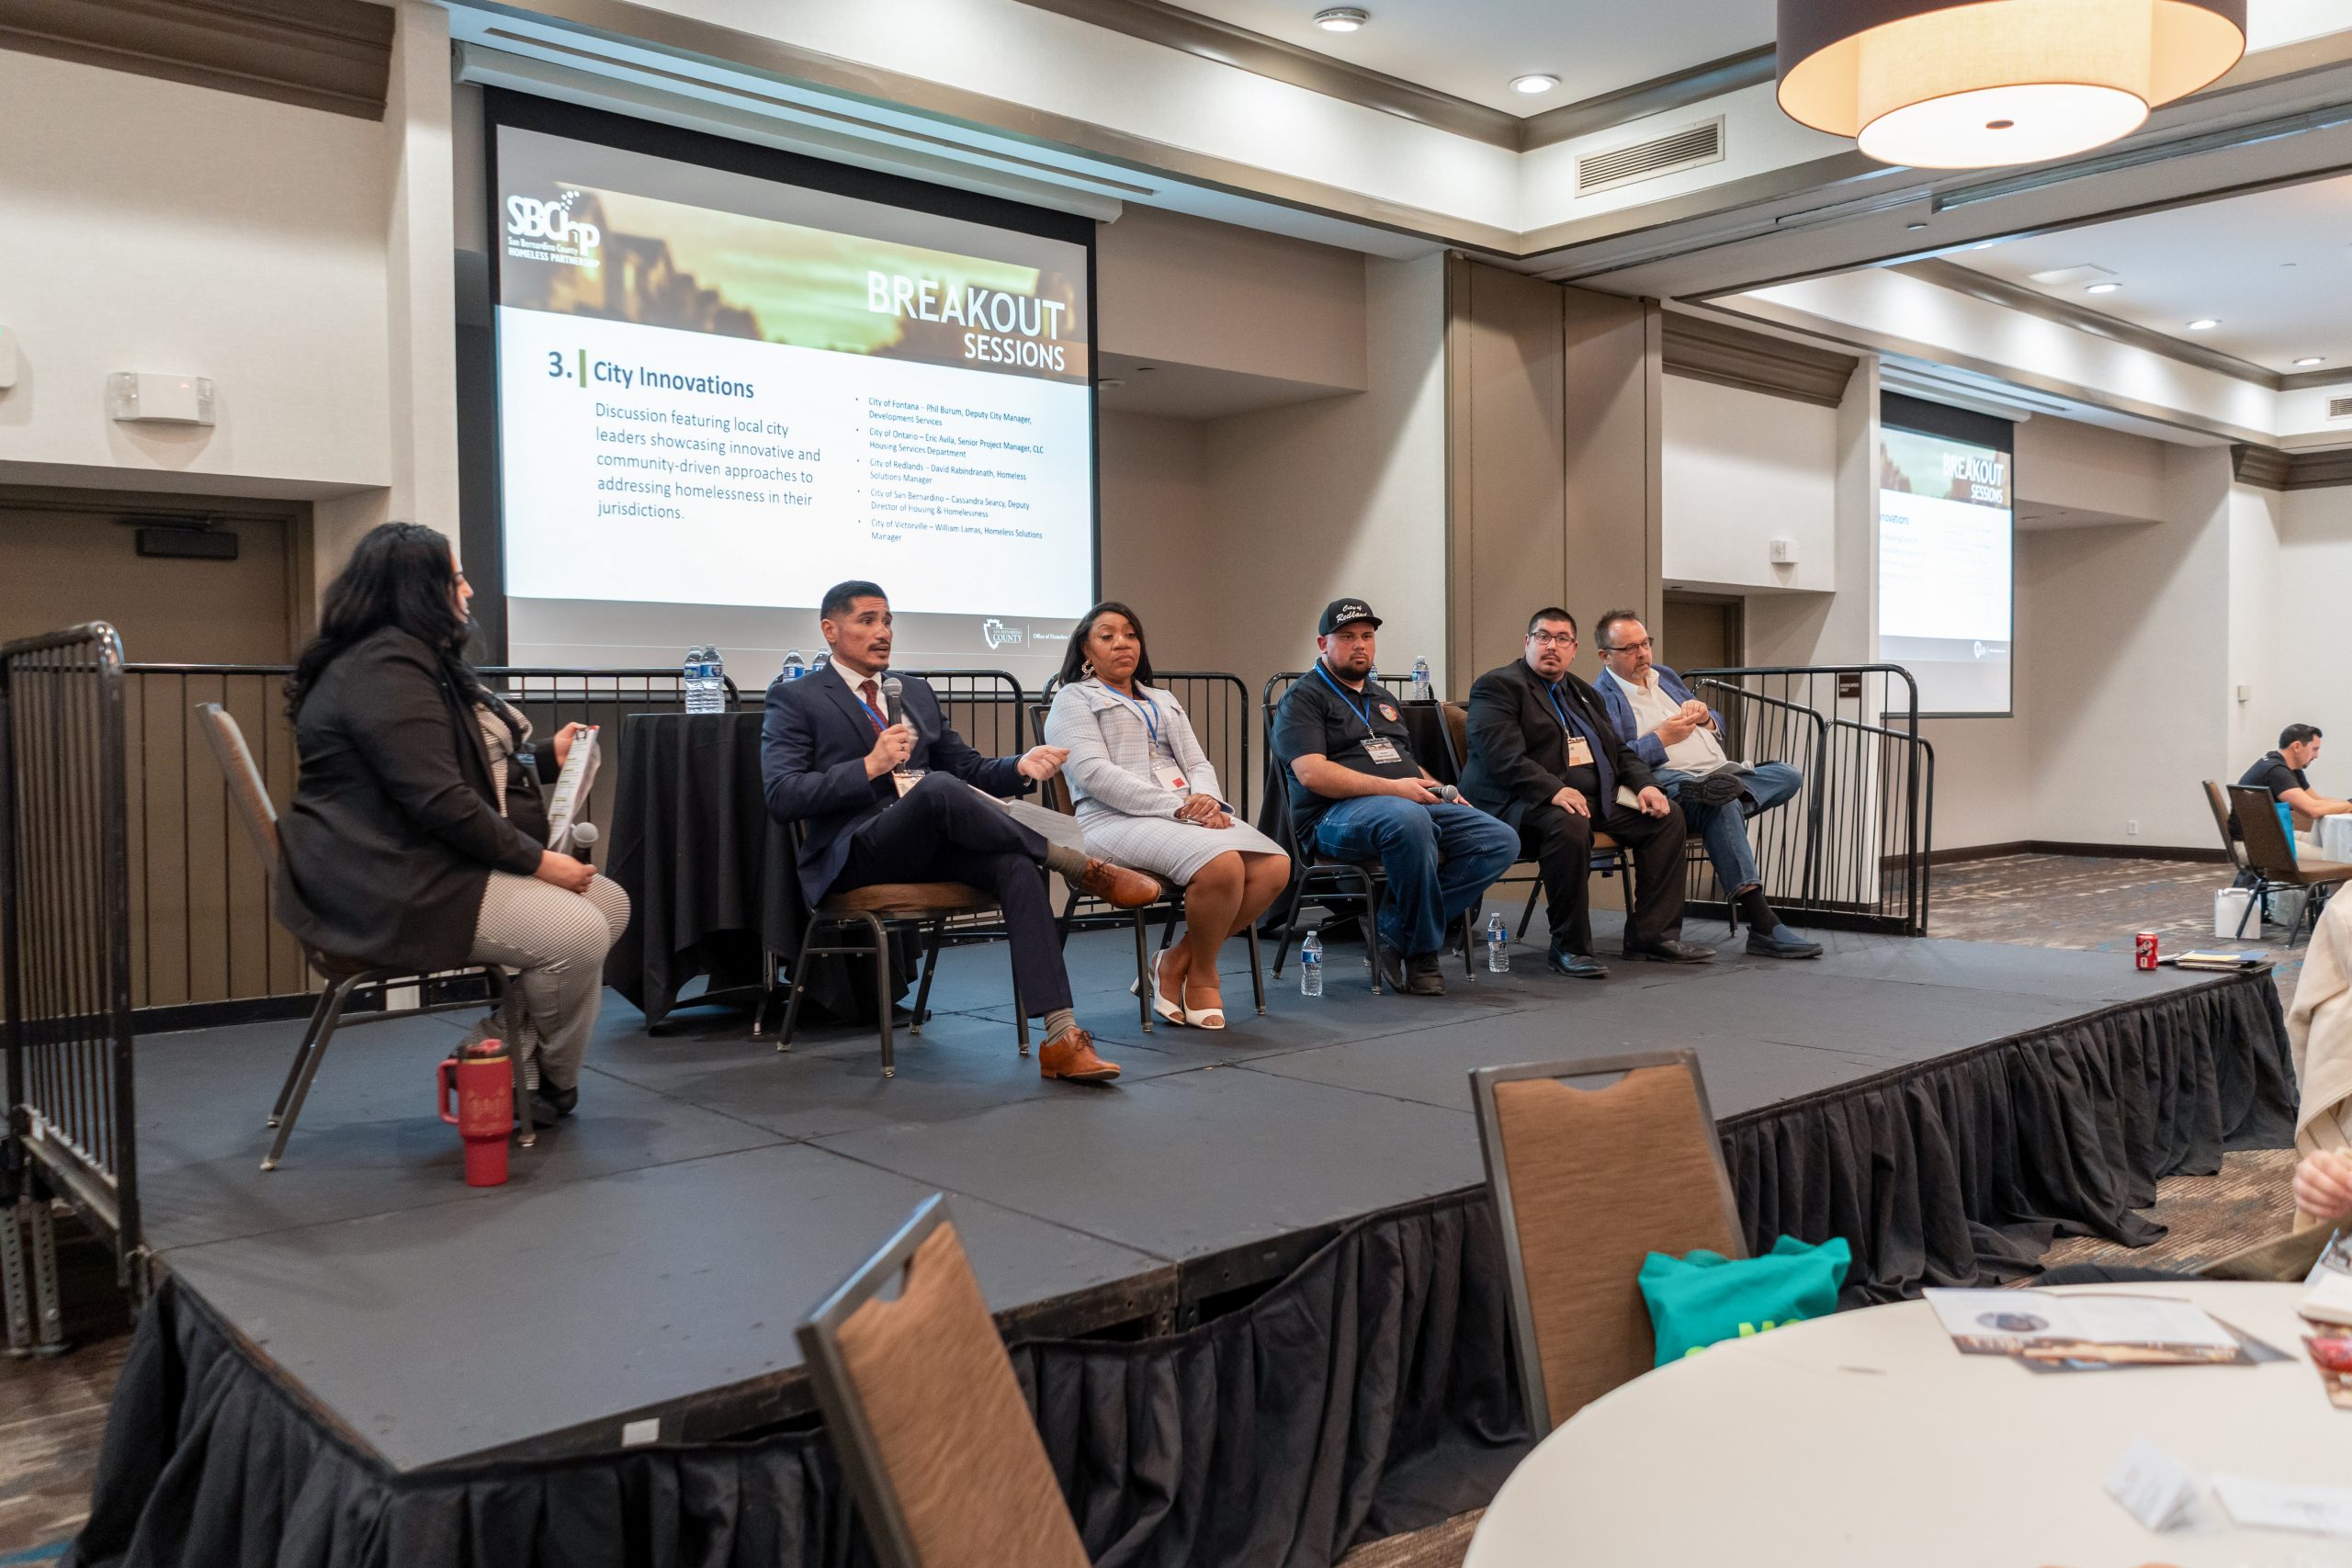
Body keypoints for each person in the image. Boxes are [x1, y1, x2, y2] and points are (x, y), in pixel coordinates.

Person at [277, 522, 630, 1125]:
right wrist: (543, 861)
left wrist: (546, 758)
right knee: (578, 932)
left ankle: (498, 1052)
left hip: (425, 862)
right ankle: (546, 1083)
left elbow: (455, 768)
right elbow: (438, 798)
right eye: (456, 578)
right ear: (417, 589)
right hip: (389, 881)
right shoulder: (382, 668)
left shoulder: (407, 660)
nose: (468, 592)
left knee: (610, 902)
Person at [762, 581, 1157, 1082]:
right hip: (855, 852)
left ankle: (1061, 1037)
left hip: (928, 843)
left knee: (1015, 865)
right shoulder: (795, 698)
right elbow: (783, 796)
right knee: (935, 789)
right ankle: (1079, 866)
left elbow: (966, 768)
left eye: (887, 621)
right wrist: (869, 766)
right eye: (867, 621)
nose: (882, 632)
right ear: (830, 630)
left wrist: (1021, 766)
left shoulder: (914, 692)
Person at [1046, 604, 1290, 1030]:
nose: (1122, 643)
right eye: (1107, 636)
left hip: (1180, 817)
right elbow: (1093, 774)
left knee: (1275, 866)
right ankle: (1204, 977)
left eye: (1131, 634)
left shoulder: (1163, 699)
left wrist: (1208, 803)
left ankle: (1174, 963)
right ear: (1085, 649)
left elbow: (1198, 764)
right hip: (1108, 820)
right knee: (1222, 865)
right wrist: (1177, 806)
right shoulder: (1073, 699)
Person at [1270, 598, 1518, 996]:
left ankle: (1394, 929)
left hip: (1403, 804)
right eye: (1347, 637)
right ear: (1322, 643)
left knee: (1499, 839)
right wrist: (1397, 790)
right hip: (1332, 818)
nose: (1360, 645)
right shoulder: (1303, 698)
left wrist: (1437, 789)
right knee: (1408, 819)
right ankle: (1421, 954)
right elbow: (1311, 772)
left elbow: (1405, 764)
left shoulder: (1381, 698)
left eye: (1367, 636)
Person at [1460, 608, 1712, 977]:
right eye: (1543, 637)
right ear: (1528, 642)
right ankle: (1570, 947)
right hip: (1518, 802)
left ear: (1574, 648)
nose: (1552, 646)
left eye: (1562, 639)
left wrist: (1646, 785)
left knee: (1667, 816)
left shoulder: (1583, 693)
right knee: (1570, 824)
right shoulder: (1498, 686)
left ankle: (1652, 936)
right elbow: (1502, 757)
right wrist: (1552, 789)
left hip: (1593, 798)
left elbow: (1619, 751)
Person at [1591, 611, 1822, 960]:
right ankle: (1762, 922)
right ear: (1605, 655)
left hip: (1717, 771)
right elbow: (1613, 762)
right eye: (1630, 648)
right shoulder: (1601, 697)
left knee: (1787, 774)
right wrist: (1661, 738)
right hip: (1664, 782)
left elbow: (1719, 723)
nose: (1642, 654)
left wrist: (1706, 717)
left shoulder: (1665, 675)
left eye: (1645, 644)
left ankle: (1717, 790)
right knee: (1720, 801)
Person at [2241, 724, 2351, 832]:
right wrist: (2349, 805)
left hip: (2271, 836)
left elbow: (2317, 801)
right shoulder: (2277, 771)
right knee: (2335, 850)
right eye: (2314, 749)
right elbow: (2313, 810)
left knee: (2335, 845)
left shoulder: (2291, 768)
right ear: (2297, 746)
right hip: (2255, 844)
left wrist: (2346, 804)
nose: (2317, 756)